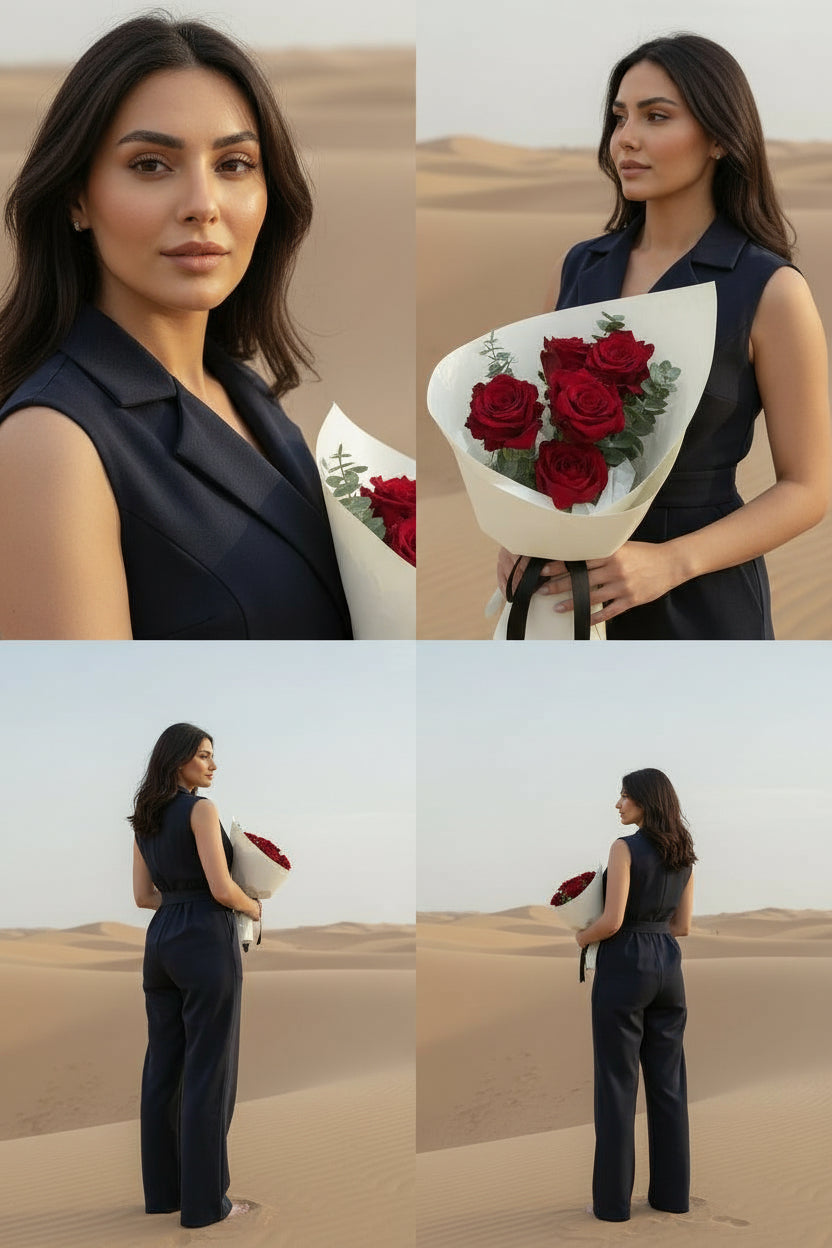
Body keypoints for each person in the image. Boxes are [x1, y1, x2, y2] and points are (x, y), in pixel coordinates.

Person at [0, 15, 351, 640]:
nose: (202, 204)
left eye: (235, 163)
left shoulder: (248, 396)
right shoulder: (50, 444)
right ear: (79, 197)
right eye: (151, 164)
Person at [498, 34, 830, 639]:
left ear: (720, 138)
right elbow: (535, 436)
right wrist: (521, 534)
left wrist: (668, 564)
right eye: (619, 118)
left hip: (702, 599)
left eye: (656, 117)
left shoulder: (771, 290)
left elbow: (809, 488)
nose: (625, 138)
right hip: (566, 593)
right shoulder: (576, 269)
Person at [130, 722, 262, 1228]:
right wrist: (254, 907)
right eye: (204, 755)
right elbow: (222, 887)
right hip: (205, 939)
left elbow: (143, 898)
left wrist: (179, 901)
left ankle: (164, 1194)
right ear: (179, 759)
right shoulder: (200, 809)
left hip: (161, 941)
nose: (212, 764)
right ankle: (207, 1205)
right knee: (211, 1069)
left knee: (162, 1068)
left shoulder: (143, 819)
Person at [576, 768, 695, 1221]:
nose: (618, 804)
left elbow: (611, 921)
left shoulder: (624, 848)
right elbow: (683, 927)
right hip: (668, 967)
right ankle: (671, 1198)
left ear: (645, 801)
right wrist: (651, 931)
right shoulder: (684, 855)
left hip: (626, 966)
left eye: (624, 796)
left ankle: (611, 1206)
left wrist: (581, 938)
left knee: (616, 1085)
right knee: (668, 1086)